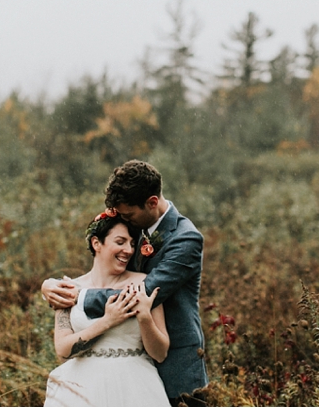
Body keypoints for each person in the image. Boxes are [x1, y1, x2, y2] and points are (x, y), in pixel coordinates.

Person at [43, 160, 208, 406]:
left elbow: (146, 292)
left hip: (174, 362)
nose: (129, 249)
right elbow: (107, 270)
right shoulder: (135, 229)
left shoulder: (186, 239)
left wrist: (80, 296)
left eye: (128, 215)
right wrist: (49, 286)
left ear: (152, 202)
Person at [44, 212, 170, 407]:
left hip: (136, 387)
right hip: (82, 389)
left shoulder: (144, 283)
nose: (128, 250)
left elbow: (160, 353)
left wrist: (145, 317)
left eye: (132, 244)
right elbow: (62, 351)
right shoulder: (68, 289)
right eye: (120, 242)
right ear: (96, 243)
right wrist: (107, 322)